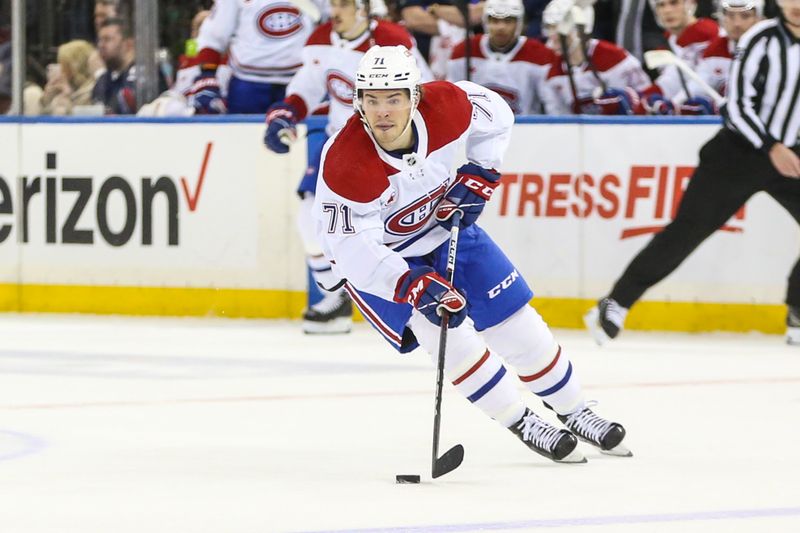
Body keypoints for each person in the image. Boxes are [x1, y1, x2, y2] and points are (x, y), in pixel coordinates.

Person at [314, 44, 631, 462]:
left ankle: (576, 409)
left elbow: (497, 115)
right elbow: (352, 248)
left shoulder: (446, 106)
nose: (383, 112)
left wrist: (482, 169)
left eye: (394, 99)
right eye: (372, 101)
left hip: (448, 230)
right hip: (383, 264)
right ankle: (522, 421)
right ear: (358, 102)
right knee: (450, 338)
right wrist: (407, 283)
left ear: (415, 96)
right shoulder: (344, 163)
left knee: (517, 324)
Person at [585, 0, 800, 345]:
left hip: (792, 153)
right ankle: (617, 301)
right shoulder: (760, 39)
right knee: (687, 231)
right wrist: (772, 147)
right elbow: (737, 106)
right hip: (739, 152)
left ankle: (798, 310)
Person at [264, 0, 432, 334]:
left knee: (400, 229)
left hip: (391, 144)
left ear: (364, 8)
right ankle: (338, 298)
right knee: (309, 217)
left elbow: (424, 91)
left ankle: (414, 301)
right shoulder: (321, 38)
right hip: (341, 144)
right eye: (333, 3)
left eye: (344, 3)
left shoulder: (392, 40)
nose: (335, 10)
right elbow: (307, 86)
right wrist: (287, 113)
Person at [189, 0, 327, 114]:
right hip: (247, 84)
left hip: (303, 83)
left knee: (301, 141)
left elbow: (338, 20)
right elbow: (214, 35)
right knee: (242, 141)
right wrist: (207, 74)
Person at [539, 0, 652, 115]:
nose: (553, 36)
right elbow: (559, 121)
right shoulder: (551, 70)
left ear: (581, 28)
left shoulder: (615, 59)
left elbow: (646, 99)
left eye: (558, 28)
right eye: (550, 27)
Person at [446, 0, 554, 115]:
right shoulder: (463, 51)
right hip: (479, 128)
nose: (500, 27)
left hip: (525, 128)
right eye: (495, 20)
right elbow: (452, 98)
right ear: (486, 22)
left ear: (519, 23)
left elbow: (551, 104)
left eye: (508, 21)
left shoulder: (540, 55)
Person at [641, 0, 721, 114]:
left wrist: (672, 104)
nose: (667, 10)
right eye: (661, 5)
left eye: (674, 3)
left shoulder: (706, 32)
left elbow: (701, 81)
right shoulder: (669, 39)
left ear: (691, 5)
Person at [683, 0, 764, 110]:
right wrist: (676, 103)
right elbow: (698, 86)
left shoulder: (771, 51)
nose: (737, 24)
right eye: (731, 16)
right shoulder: (716, 49)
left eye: (745, 16)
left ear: (758, 19)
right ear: (722, 18)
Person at [41, 40, 97, 115]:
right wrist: (49, 97)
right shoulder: (65, 86)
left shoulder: (93, 89)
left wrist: (68, 96)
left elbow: (82, 116)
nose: (61, 68)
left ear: (75, 65)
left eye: (64, 64)